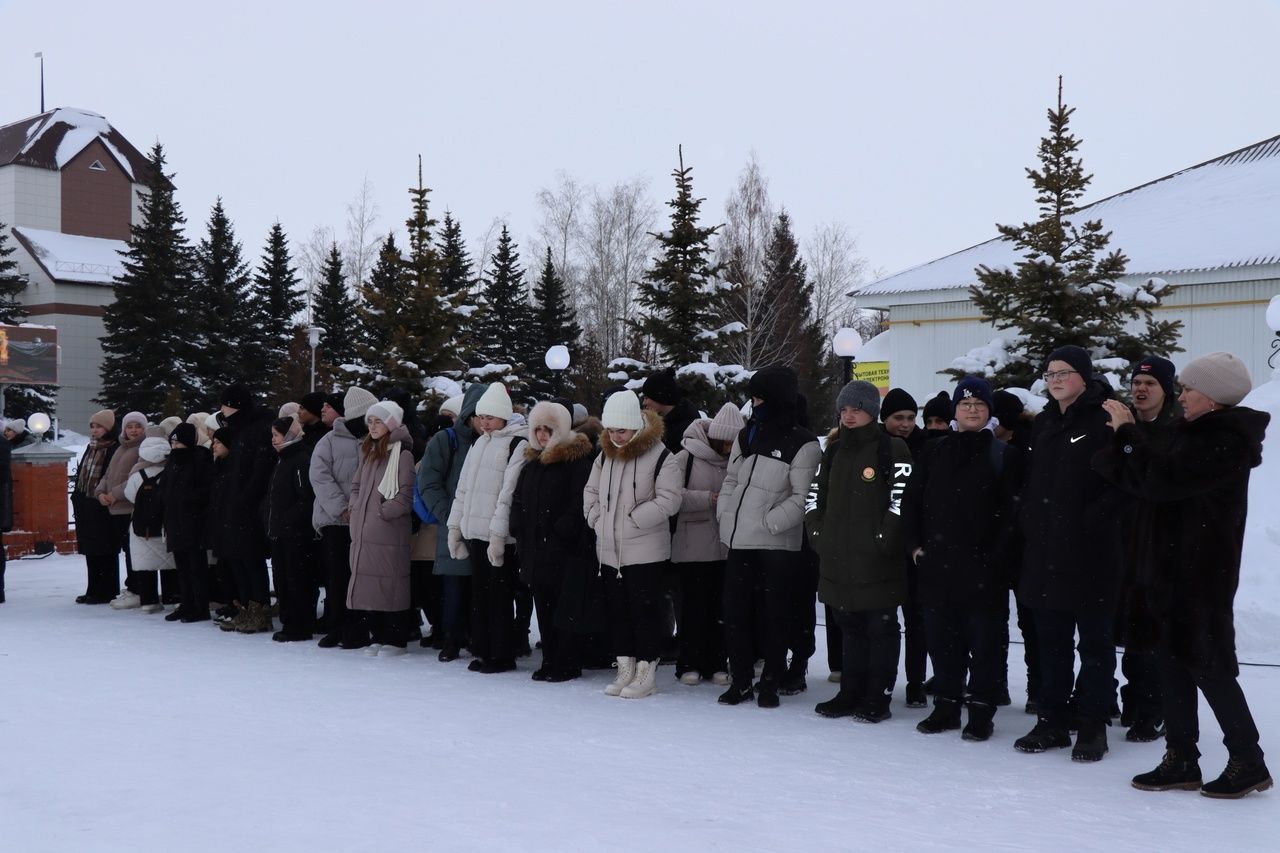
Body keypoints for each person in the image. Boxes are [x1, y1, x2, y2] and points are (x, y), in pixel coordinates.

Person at [1095, 352, 1272, 798]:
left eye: (1189, 389)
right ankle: (1181, 758)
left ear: (1212, 397)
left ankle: (1248, 760)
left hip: (1199, 574)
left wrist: (1128, 435)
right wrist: (1122, 441)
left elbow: (1160, 479)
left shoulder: (1224, 440)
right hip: (1167, 571)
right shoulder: (1190, 433)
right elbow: (1138, 475)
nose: (1183, 396)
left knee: (1208, 666)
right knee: (1170, 661)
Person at [1014, 346, 1126, 762]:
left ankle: (1092, 726)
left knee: (1095, 647)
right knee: (1051, 644)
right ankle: (1052, 722)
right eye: (1049, 373)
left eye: (1063, 372)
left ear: (1083, 376)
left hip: (1092, 557)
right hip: (1045, 556)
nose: (1055, 379)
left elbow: (1123, 483)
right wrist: (1028, 519)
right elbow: (1031, 485)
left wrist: (1087, 524)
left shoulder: (1105, 420)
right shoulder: (1044, 423)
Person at [903, 376, 1022, 741]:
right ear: (955, 410)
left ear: (990, 413)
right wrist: (915, 546)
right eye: (965, 404)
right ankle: (947, 706)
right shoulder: (934, 451)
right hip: (937, 566)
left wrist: (996, 559)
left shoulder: (1004, 455)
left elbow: (1014, 515)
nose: (972, 410)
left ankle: (981, 711)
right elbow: (912, 502)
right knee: (942, 642)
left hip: (984, 570)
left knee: (984, 644)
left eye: (979, 405)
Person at [807, 380, 912, 723]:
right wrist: (818, 534)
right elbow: (814, 497)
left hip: (878, 563)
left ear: (872, 412)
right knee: (848, 627)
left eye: (857, 410)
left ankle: (877, 696)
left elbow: (901, 500)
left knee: (880, 629)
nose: (849, 417)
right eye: (844, 410)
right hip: (837, 559)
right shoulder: (834, 451)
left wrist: (884, 539)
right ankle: (850, 691)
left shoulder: (891, 449)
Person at [717, 366, 821, 709]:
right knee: (736, 613)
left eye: (760, 397)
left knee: (775, 615)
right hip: (739, 541)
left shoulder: (803, 442)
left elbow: (803, 496)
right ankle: (742, 680)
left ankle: (771, 681)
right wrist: (725, 513)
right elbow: (731, 480)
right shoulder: (747, 435)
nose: (754, 403)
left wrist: (769, 522)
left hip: (777, 545)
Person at [585, 390, 682, 699]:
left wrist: (634, 519)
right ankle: (624, 665)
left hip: (645, 551)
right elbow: (590, 491)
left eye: (621, 430)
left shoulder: (661, 456)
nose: (615, 436)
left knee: (645, 612)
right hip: (609, 551)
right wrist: (596, 519)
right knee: (618, 612)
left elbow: (669, 499)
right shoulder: (604, 455)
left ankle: (646, 671)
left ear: (636, 426)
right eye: (611, 430)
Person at [1112, 356, 1181, 744]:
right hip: (1124, 542)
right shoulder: (1124, 426)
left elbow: (1151, 475)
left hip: (1162, 545)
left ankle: (1154, 710)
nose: (1140, 389)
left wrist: (1126, 437)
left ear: (1166, 390)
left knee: (1153, 633)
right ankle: (1134, 702)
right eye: (1136, 382)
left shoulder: (1175, 430)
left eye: (1150, 384)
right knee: (1128, 631)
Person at [509, 400, 596, 682]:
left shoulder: (574, 461)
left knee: (564, 609)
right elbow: (519, 497)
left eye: (548, 429)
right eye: (538, 429)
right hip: (536, 549)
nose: (542, 435)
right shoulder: (532, 462)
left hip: (563, 551)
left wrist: (560, 531)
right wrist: (518, 525)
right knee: (544, 608)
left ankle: (566, 662)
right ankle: (550, 659)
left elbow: (580, 502)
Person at [447, 383, 529, 674]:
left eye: (490, 418)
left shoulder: (516, 444)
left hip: (498, 537)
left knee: (499, 597)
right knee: (479, 594)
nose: (484, 423)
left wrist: (497, 535)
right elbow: (463, 489)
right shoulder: (479, 443)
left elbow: (507, 494)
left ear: (504, 417)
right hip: (475, 532)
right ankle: (483, 649)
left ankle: (502, 653)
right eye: (481, 417)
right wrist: (455, 527)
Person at [671, 402, 743, 686]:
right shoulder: (685, 457)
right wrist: (708, 499)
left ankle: (716, 661)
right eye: (724, 442)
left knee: (721, 608)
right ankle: (688, 662)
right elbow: (672, 496)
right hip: (692, 546)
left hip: (726, 547)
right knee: (692, 607)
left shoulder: (738, 460)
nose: (728, 449)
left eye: (732, 443)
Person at [420, 384, 487, 661]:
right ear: (468, 415)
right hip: (455, 529)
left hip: (484, 530)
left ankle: (478, 638)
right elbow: (429, 483)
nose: (484, 421)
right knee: (455, 589)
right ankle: (452, 639)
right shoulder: (446, 441)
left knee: (481, 589)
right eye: (479, 415)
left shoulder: (498, 442)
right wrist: (450, 516)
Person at [347, 400, 416, 655]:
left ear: (390, 424)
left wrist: (380, 512)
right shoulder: (369, 452)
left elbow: (404, 496)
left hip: (387, 531)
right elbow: (356, 486)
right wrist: (356, 508)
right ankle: (377, 635)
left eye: (378, 421)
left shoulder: (403, 455)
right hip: (365, 530)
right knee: (370, 587)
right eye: (370, 422)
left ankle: (395, 639)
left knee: (390, 585)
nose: (373, 427)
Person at [310, 386, 377, 648]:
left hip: (365, 519)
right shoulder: (328, 441)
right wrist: (343, 508)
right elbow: (320, 477)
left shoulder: (375, 438)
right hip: (335, 521)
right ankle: (337, 626)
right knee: (337, 577)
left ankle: (359, 628)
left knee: (359, 576)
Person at [880, 387, 930, 707]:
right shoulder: (876, 448)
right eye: (899, 417)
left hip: (913, 547)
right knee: (884, 620)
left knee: (916, 621)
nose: (906, 424)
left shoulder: (927, 447)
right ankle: (883, 680)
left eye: (911, 418)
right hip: (883, 545)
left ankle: (916, 682)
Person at [215, 384, 276, 635]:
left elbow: (260, 470)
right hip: (236, 504)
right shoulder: (239, 429)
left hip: (249, 507)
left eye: (225, 405)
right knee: (237, 558)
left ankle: (259, 609)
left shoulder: (256, 429)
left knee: (251, 559)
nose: (221, 410)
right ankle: (246, 607)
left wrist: (245, 497)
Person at [268, 416, 318, 642]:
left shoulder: (299, 459)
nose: (273, 440)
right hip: (281, 531)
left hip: (296, 533)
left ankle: (300, 624)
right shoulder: (283, 459)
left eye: (276, 436)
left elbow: (305, 498)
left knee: (297, 579)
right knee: (282, 578)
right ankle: (290, 620)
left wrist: (288, 520)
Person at [162, 423, 214, 623]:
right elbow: (166, 487)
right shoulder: (172, 461)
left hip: (193, 521)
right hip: (175, 520)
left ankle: (200, 606)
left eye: (178, 442)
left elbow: (205, 490)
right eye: (172, 442)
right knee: (181, 566)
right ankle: (187, 603)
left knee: (196, 566)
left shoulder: (199, 460)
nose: (175, 446)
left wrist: (188, 499)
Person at [97, 411, 146, 609]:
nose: (133, 430)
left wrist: (115, 494)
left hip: (129, 507)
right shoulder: (121, 448)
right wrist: (101, 491)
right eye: (129, 426)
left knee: (133, 551)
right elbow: (109, 474)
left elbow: (136, 478)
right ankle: (132, 586)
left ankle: (137, 588)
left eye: (137, 426)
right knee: (126, 550)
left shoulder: (143, 448)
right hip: (114, 509)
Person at [121, 436, 175, 613]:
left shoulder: (137, 475)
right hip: (165, 524)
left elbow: (130, 496)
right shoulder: (172, 472)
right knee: (170, 562)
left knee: (145, 564)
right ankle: (172, 595)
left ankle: (149, 600)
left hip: (142, 526)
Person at [71, 410, 121, 604]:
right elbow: (82, 473)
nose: (94, 430)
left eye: (99, 426)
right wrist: (78, 497)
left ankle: (106, 590)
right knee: (90, 548)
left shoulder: (114, 447)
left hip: (103, 503)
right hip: (87, 504)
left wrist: (103, 495)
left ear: (108, 428)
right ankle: (93, 587)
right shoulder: (91, 447)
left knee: (105, 548)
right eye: (92, 426)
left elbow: (112, 475)